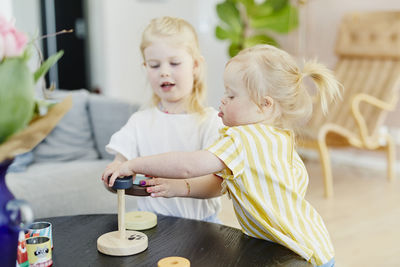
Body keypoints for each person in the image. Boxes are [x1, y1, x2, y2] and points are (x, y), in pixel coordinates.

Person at [104, 44, 341, 266]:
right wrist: (178, 188)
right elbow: (224, 184)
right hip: (316, 247)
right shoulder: (278, 139)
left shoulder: (242, 140)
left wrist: (134, 164)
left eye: (232, 95)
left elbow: (189, 165)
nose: (222, 100)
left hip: (295, 254)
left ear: (264, 105)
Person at [101, 16, 224, 223]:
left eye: (174, 63)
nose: (164, 72)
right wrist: (113, 176)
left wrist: (178, 188)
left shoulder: (210, 122)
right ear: (145, 67)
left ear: (195, 65)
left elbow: (219, 184)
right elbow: (120, 165)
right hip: (153, 223)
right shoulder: (139, 122)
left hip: (203, 225)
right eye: (154, 65)